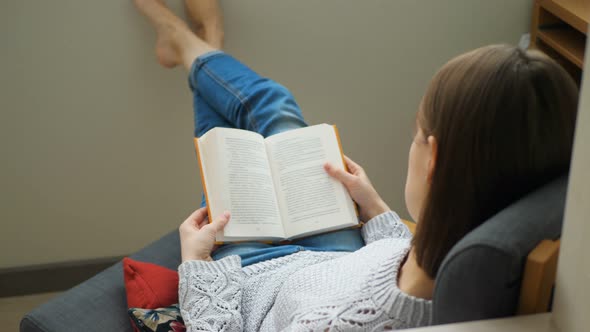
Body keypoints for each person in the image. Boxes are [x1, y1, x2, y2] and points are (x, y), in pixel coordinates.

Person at [133, 0, 578, 330]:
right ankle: (201, 44)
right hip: (340, 255)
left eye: (415, 135)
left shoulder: (340, 325)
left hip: (258, 279)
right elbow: (396, 264)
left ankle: (190, 40)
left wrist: (195, 263)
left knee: (237, 143)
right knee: (278, 116)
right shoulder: (456, 252)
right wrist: (375, 207)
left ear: (434, 158)